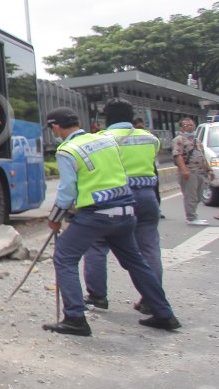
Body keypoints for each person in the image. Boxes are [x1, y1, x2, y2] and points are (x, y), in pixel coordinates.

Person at [43, 107, 181, 336]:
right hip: (127, 211)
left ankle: (75, 318)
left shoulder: (67, 150)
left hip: (97, 213)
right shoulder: (105, 141)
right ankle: (164, 314)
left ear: (56, 126)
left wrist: (55, 219)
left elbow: (67, 192)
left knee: (64, 257)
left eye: (52, 128)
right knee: (136, 261)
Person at [81, 99, 163, 314]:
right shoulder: (150, 139)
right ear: (132, 116)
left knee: (97, 244)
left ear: (105, 118)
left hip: (115, 197)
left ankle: (97, 296)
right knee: (149, 248)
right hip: (147, 198)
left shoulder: (100, 140)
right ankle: (151, 299)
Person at [173, 117, 212, 225]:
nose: (190, 127)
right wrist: (184, 170)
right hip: (189, 172)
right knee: (191, 195)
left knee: (199, 195)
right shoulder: (179, 139)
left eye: (191, 125)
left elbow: (202, 155)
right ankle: (191, 218)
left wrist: (208, 169)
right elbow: (178, 155)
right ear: (181, 128)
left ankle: (193, 214)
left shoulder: (196, 140)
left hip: (200, 172)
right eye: (186, 125)